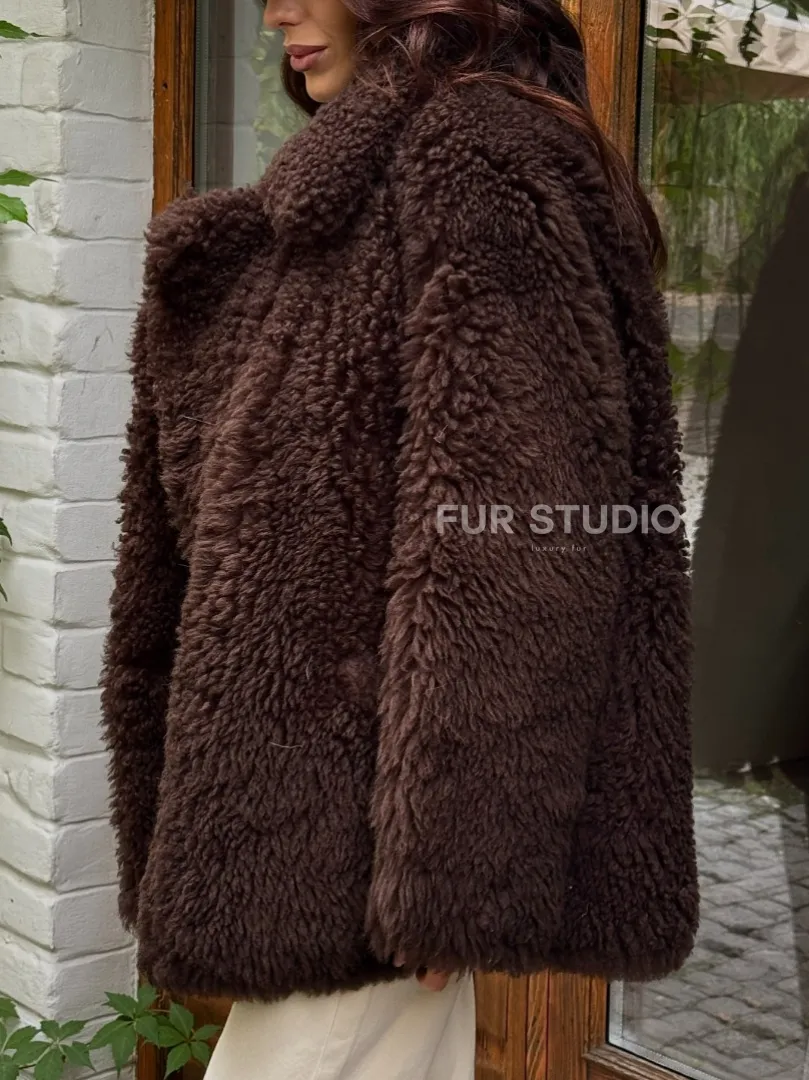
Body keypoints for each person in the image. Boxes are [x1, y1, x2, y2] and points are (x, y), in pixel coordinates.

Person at [98, 0, 700, 1076]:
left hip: (375, 853)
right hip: (325, 832)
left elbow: (523, 545)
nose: (274, 11)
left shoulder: (474, 155)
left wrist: (454, 870)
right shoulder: (363, 187)